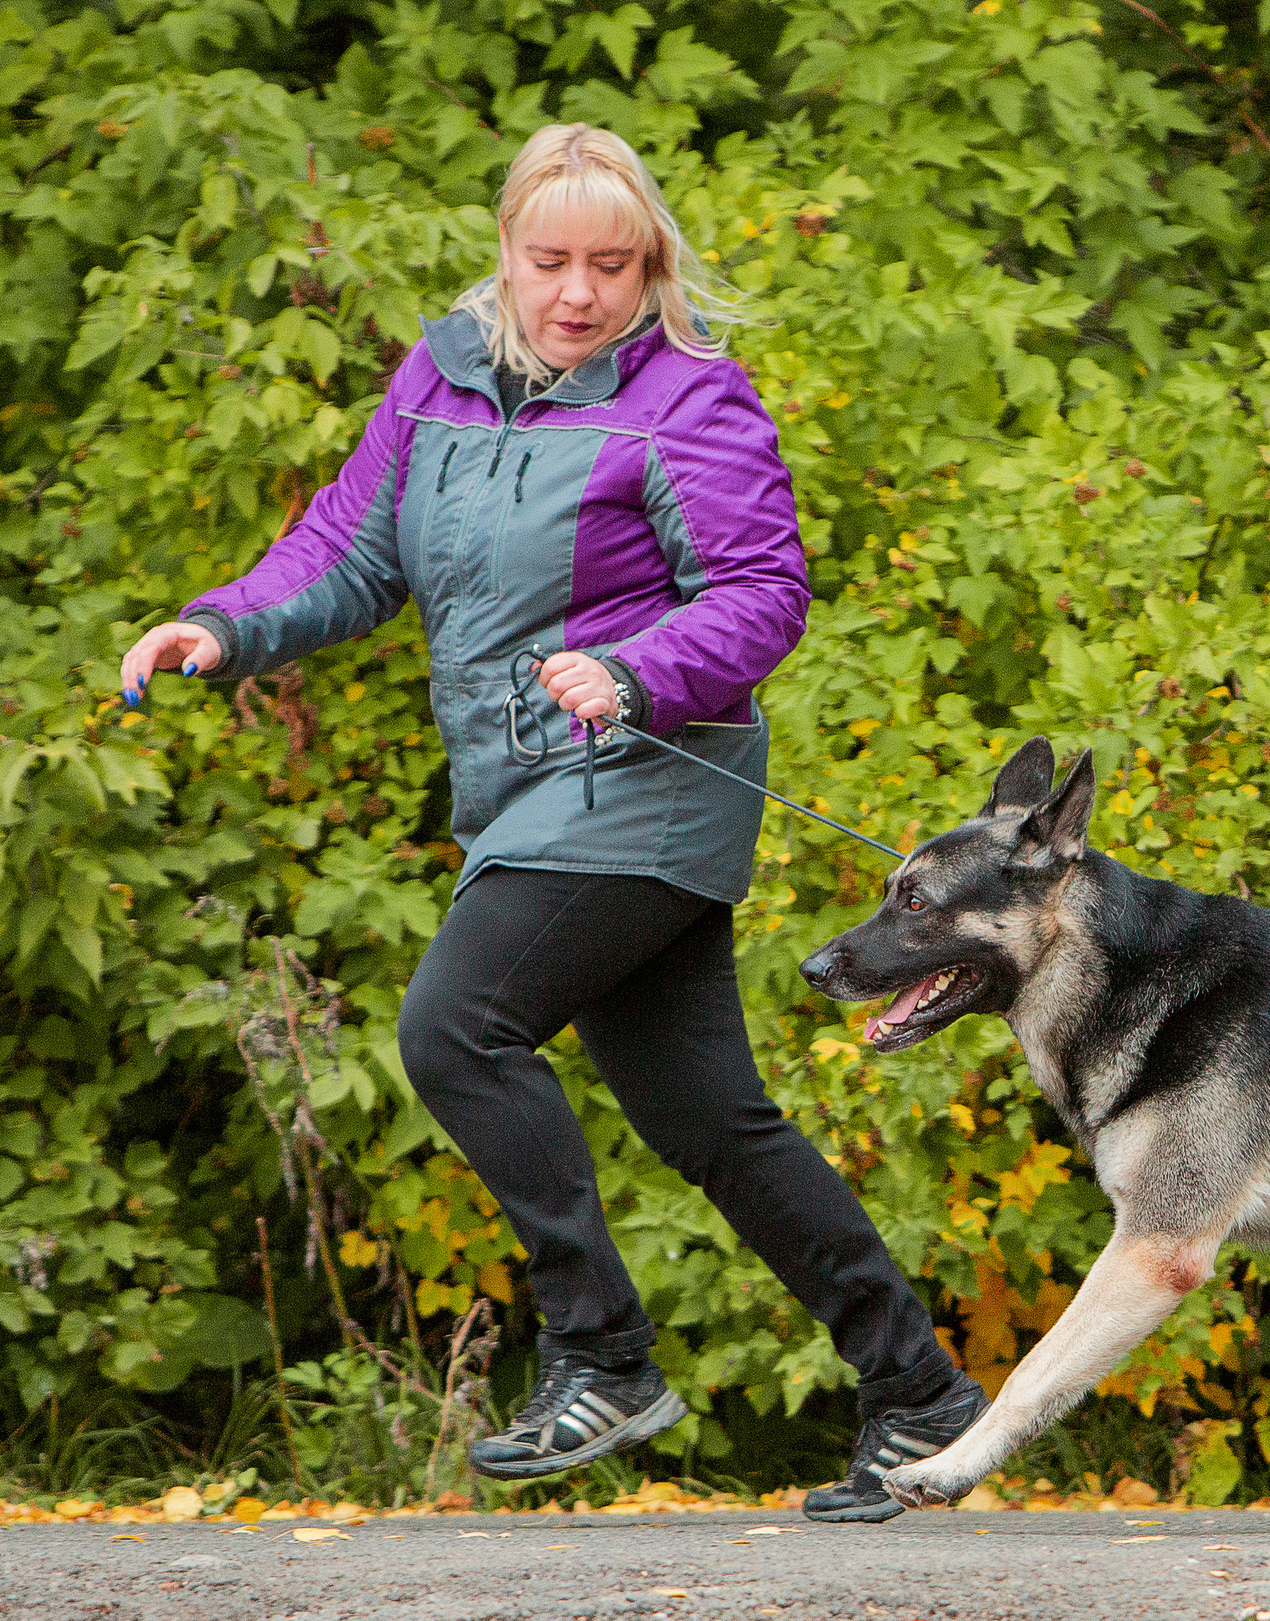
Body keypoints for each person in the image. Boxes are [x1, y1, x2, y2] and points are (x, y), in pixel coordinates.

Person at [118, 123, 984, 1522]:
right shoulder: (439, 382)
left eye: (612, 265)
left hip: (647, 781)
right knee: (712, 1123)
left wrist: (637, 670)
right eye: (551, 260)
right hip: (521, 794)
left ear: (651, 267)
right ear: (508, 254)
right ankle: (918, 1390)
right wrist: (224, 626)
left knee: (454, 1029)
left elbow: (763, 592)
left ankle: (602, 1355)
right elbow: (350, 546)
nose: (580, 292)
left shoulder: (688, 397)